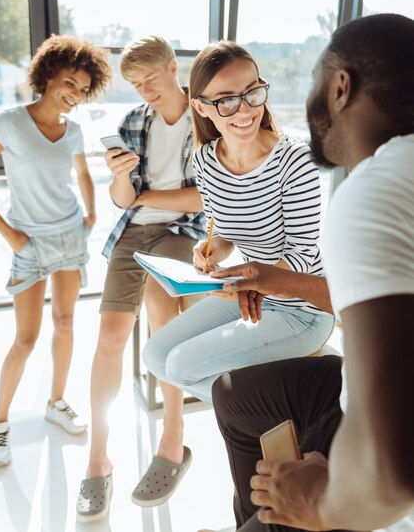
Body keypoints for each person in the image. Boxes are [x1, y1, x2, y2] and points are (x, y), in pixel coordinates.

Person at [209, 12, 414, 532]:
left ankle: (277, 520)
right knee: (232, 393)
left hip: (383, 450)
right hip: (366, 387)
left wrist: (320, 505)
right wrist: (278, 281)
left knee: (288, 511)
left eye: (315, 80)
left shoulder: (373, 192)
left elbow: (393, 474)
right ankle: (255, 516)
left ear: (341, 87)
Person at [142, 41, 335, 505]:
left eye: (252, 92)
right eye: (226, 99)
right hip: (247, 292)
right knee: (156, 355)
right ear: (201, 106)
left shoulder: (296, 162)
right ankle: (273, 413)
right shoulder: (207, 160)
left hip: (299, 309)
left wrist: (248, 279)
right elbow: (225, 232)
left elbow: (303, 258)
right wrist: (208, 252)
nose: (243, 109)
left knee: (185, 366)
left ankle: (280, 422)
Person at [76, 36, 205, 522]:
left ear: (174, 67)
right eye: (135, 84)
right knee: (109, 336)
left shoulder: (205, 118)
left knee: (158, 302)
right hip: (134, 232)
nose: (145, 90)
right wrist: (120, 178)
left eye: (151, 78)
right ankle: (98, 459)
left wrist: (144, 197)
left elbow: (204, 201)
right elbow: (122, 200)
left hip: (181, 232)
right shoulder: (133, 122)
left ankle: (173, 441)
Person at [0, 34, 112, 467]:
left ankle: (56, 402)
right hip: (28, 241)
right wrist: (9, 235)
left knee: (65, 322)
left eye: (84, 90)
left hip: (68, 237)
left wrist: (91, 213)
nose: (76, 96)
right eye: (71, 84)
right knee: (25, 338)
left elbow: (83, 173)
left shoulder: (75, 131)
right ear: (48, 75)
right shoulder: (8, 122)